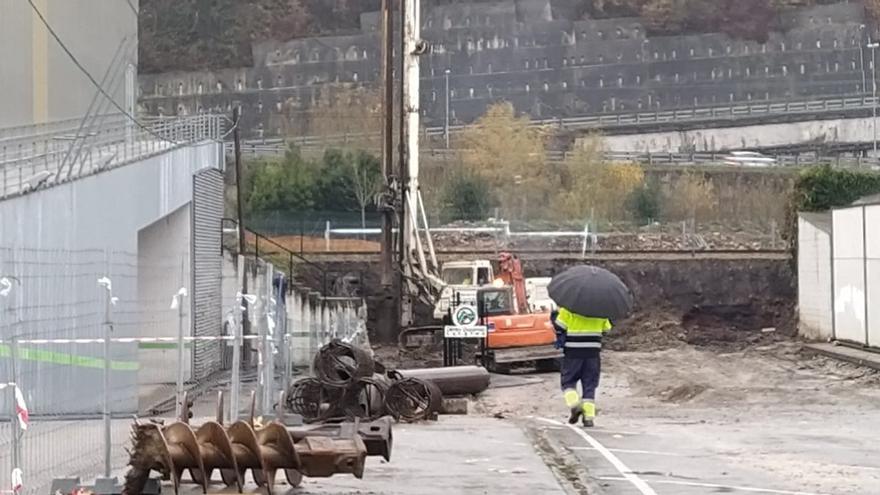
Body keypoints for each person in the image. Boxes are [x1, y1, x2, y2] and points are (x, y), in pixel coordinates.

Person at [550, 307, 612, 427]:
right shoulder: (601, 309)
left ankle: (575, 405)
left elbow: (560, 326)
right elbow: (606, 329)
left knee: (568, 381)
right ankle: (588, 418)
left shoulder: (569, 307)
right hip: (593, 353)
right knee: (590, 384)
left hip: (573, 353)